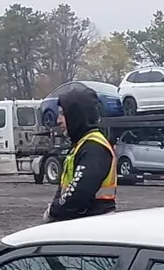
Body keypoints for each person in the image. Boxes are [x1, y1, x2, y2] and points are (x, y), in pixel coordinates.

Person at [47, 83, 117, 221]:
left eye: (62, 114)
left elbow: (79, 193)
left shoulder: (94, 147)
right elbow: (66, 189)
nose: (58, 121)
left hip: (93, 224)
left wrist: (53, 212)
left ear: (76, 115)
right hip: (83, 222)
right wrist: (55, 208)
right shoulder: (81, 145)